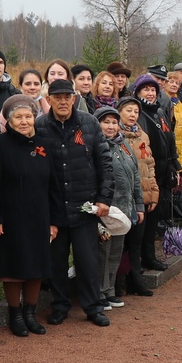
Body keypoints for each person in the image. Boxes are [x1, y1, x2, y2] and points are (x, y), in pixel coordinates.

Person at [36, 78, 115, 327]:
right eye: (56, 97)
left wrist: (104, 198)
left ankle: (92, 307)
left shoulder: (89, 123)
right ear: (48, 99)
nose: (62, 101)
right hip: (55, 208)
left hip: (84, 207)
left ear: (73, 98)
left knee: (87, 261)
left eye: (66, 96)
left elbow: (104, 163)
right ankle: (60, 306)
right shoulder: (40, 127)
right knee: (56, 262)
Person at [0, 95, 59, 337]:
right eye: (18, 117)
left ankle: (30, 313)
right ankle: (15, 314)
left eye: (28, 116)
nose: (24, 121)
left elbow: (54, 186)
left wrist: (54, 221)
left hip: (39, 215)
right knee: (13, 265)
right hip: (9, 217)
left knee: (36, 264)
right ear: (8, 120)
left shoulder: (44, 145)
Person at [96, 106, 144, 309]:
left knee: (116, 251)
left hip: (123, 210)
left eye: (114, 122)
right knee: (102, 252)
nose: (111, 126)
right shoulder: (96, 146)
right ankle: (99, 292)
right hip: (105, 211)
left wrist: (138, 204)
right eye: (106, 122)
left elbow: (136, 175)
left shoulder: (123, 144)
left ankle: (110, 291)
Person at [134, 74, 178, 270]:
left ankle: (150, 256)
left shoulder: (159, 111)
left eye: (153, 90)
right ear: (138, 92)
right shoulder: (138, 113)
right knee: (142, 218)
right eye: (146, 89)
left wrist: (174, 165)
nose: (150, 93)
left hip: (161, 171)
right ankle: (137, 261)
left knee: (154, 217)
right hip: (144, 172)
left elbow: (169, 139)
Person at [117, 96, 157, 295]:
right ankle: (117, 283)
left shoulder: (143, 136)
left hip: (141, 195)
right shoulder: (113, 135)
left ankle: (136, 281)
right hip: (121, 198)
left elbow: (149, 165)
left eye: (135, 112)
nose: (132, 115)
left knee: (135, 242)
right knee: (118, 242)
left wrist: (154, 191)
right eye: (128, 111)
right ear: (119, 113)